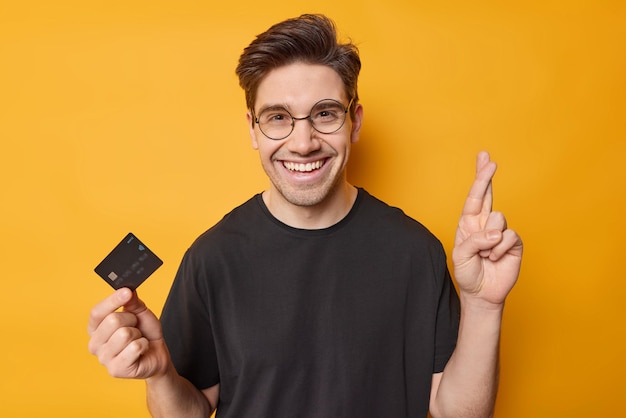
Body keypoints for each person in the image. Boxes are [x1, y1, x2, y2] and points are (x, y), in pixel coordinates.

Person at [88, 14, 523, 418]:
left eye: (324, 114)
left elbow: (457, 412)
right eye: (278, 117)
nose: (303, 142)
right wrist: (161, 373)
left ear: (354, 121)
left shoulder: (415, 251)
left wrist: (484, 306)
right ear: (252, 130)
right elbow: (191, 411)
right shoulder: (212, 258)